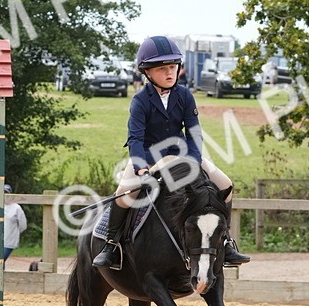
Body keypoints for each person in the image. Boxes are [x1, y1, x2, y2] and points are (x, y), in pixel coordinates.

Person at [92, 35, 250, 269]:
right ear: (147, 72)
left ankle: (226, 242)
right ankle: (111, 245)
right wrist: (142, 170)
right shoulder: (140, 101)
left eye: (173, 67)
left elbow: (194, 133)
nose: (169, 73)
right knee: (124, 194)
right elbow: (135, 139)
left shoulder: (185, 95)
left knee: (226, 186)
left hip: (181, 155)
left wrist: (193, 162)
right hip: (149, 158)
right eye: (162, 69)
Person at [3, 184, 28, 262]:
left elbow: (23, 225)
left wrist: (14, 233)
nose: (5, 195)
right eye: (3, 192)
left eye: (6, 193)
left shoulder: (16, 208)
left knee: (0, 260)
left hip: (9, 241)